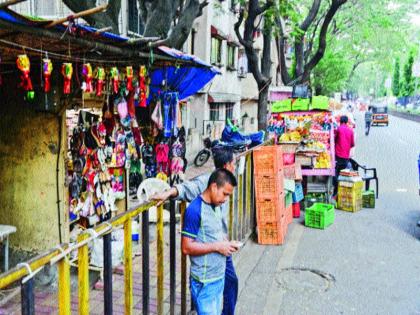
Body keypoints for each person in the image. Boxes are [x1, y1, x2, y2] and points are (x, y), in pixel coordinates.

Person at [152, 147, 238, 315]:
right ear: (227, 165)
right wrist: (169, 191)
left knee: (230, 283)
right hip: (206, 270)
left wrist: (225, 242)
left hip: (219, 258)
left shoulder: (223, 189)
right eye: (234, 163)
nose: (226, 199)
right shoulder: (202, 195)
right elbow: (187, 188)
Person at [182, 169, 240, 315]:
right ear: (214, 187)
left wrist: (226, 243)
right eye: (225, 194)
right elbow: (186, 247)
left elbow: (214, 233)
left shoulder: (217, 206)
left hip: (218, 277)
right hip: (205, 282)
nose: (226, 199)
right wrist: (218, 246)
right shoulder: (194, 210)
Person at [334, 115, 355, 195]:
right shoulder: (350, 131)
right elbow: (352, 144)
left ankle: (336, 191)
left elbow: (334, 140)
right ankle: (341, 192)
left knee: (335, 173)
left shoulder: (339, 129)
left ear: (340, 121)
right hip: (346, 156)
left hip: (338, 155)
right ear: (346, 122)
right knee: (342, 174)